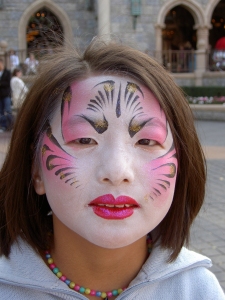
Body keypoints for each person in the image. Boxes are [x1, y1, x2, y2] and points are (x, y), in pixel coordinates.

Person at [0, 39, 224, 300]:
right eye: (84, 140)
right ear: (35, 167)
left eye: (147, 141)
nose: (117, 172)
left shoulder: (198, 291)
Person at [0, 58, 13, 132]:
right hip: (0, 96)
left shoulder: (7, 72)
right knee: (1, 112)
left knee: (8, 110)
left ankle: (11, 126)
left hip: (6, 95)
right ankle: (3, 126)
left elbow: (7, 83)